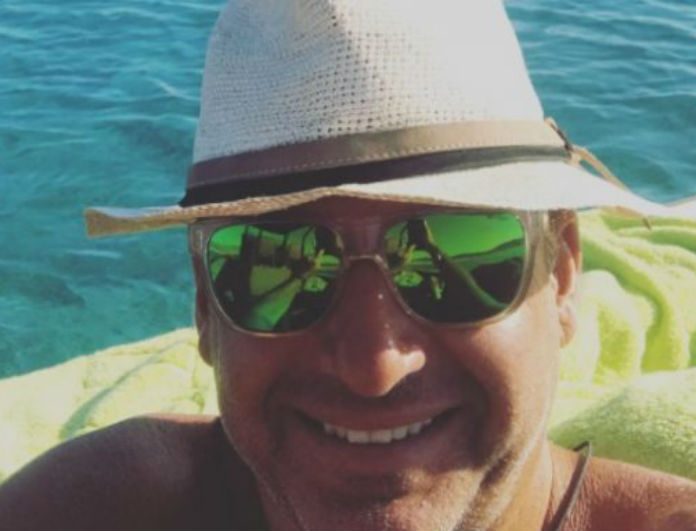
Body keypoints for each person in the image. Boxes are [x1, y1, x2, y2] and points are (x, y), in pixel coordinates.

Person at [1, 1, 695, 530]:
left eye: (455, 255)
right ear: (206, 309)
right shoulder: (97, 508)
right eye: (275, 263)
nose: (374, 365)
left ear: (563, 275)